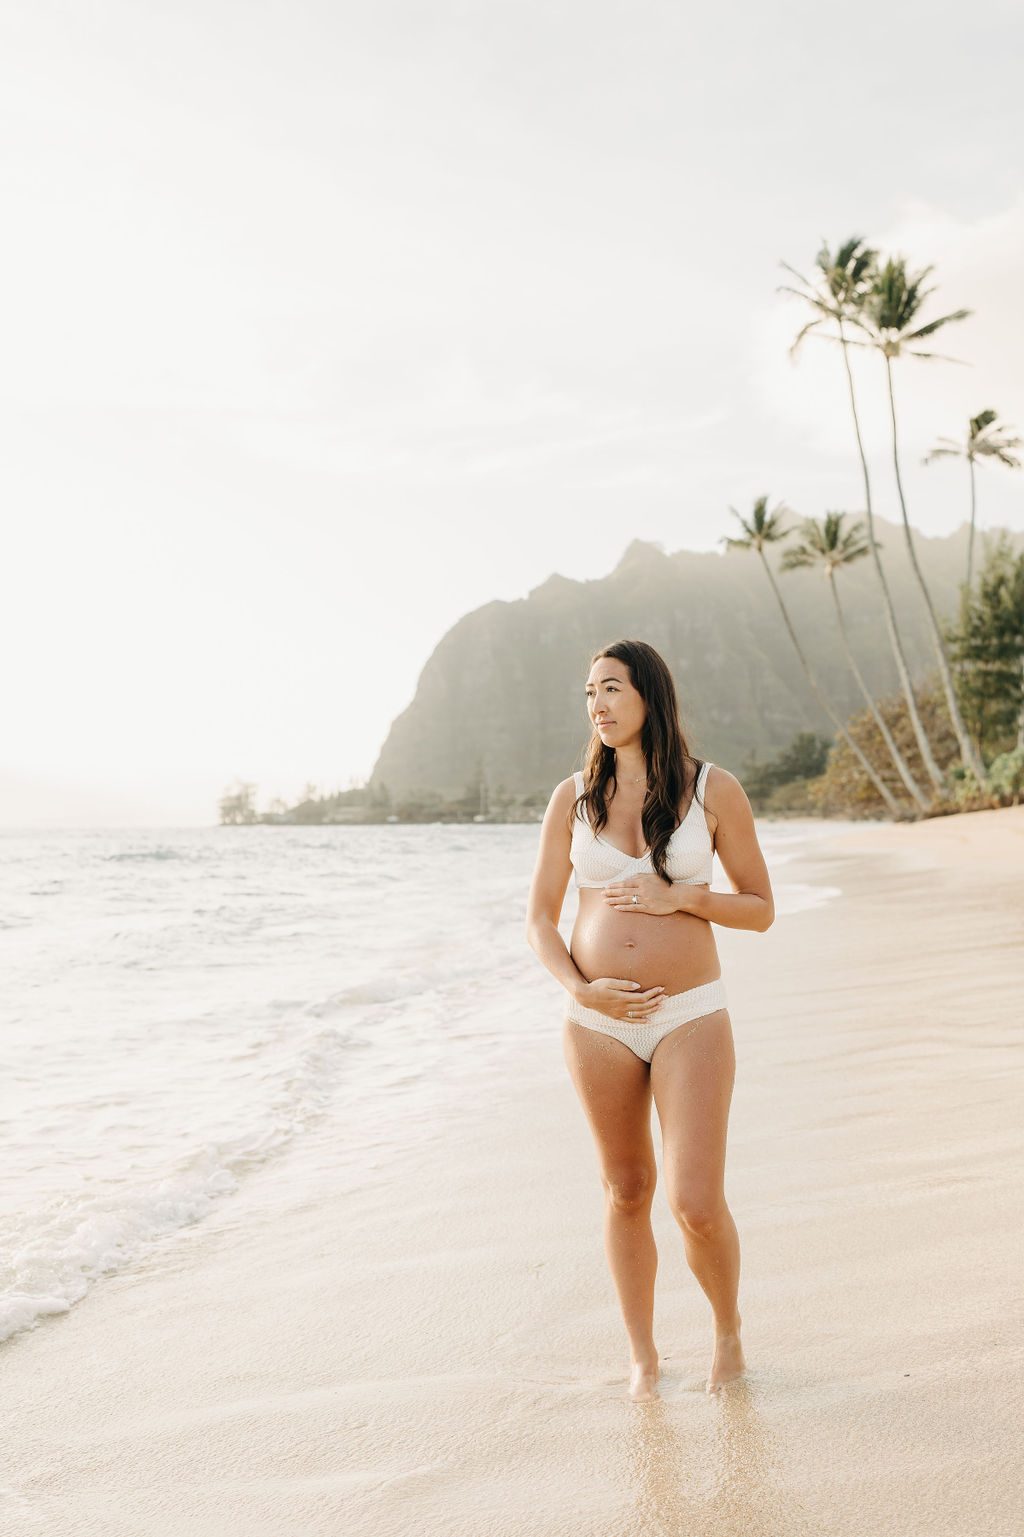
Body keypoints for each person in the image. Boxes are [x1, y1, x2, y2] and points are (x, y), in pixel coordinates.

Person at [526, 639, 774, 1399]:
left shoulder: (713, 790)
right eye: (588, 692)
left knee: (695, 1201)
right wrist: (580, 988)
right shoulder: (573, 798)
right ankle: (644, 1356)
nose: (596, 704)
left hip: (690, 1015)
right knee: (627, 1188)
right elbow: (539, 917)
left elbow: (760, 909)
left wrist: (685, 896)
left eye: (610, 688)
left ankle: (727, 1329)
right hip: (597, 1023)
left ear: (648, 695)